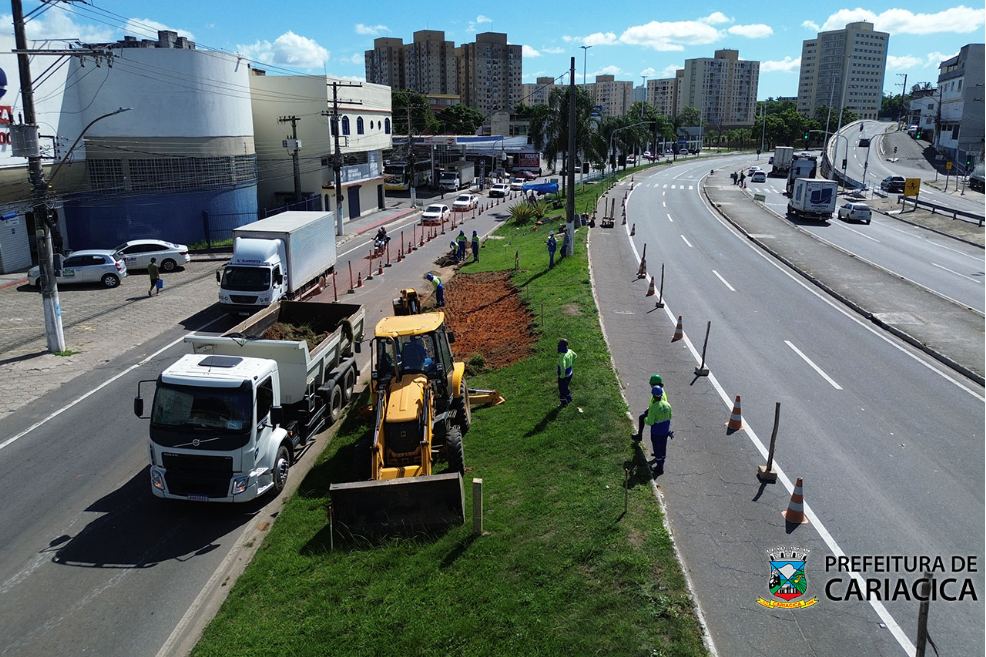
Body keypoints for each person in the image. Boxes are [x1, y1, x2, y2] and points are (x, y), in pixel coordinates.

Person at [643, 386, 673, 476]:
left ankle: (659, 468)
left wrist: (645, 418)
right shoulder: (668, 405)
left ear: (653, 395)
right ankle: (662, 462)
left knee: (657, 449)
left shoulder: (653, 407)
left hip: (656, 432)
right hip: (665, 431)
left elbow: (650, 422)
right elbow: (670, 416)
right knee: (663, 447)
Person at [633, 374, 668, 441]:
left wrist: (649, 410)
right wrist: (649, 407)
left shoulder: (657, 393)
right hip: (658, 411)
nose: (650, 386)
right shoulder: (660, 390)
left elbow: (657, 403)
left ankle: (639, 436)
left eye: (651, 384)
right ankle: (639, 436)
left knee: (642, 418)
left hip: (657, 412)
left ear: (653, 384)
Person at [557, 339, 577, 406]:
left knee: (562, 388)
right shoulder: (570, 351)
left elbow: (563, 367)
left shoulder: (562, 357)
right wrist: (572, 364)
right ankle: (569, 398)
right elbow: (575, 356)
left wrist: (562, 375)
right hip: (570, 373)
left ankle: (564, 402)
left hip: (564, 375)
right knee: (566, 386)